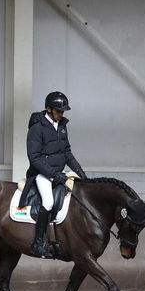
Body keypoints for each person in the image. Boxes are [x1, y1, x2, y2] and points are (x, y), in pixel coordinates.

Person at [21, 91, 87, 258]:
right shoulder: (37, 128)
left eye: (63, 111)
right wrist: (53, 175)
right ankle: (38, 243)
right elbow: (34, 158)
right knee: (49, 202)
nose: (61, 114)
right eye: (58, 111)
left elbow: (67, 152)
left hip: (59, 172)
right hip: (41, 174)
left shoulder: (62, 126)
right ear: (48, 109)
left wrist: (80, 172)